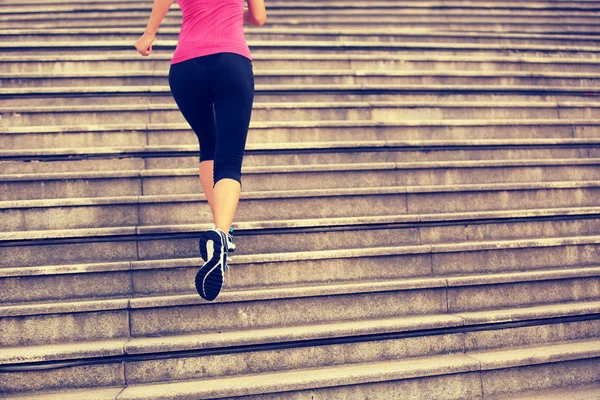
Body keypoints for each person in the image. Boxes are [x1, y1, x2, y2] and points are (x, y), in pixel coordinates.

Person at [135, 0, 267, 301]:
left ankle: (223, 232)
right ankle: (221, 233)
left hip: (185, 68)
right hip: (230, 61)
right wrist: (232, 11)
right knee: (230, 159)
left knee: (209, 143)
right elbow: (259, 17)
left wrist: (149, 35)